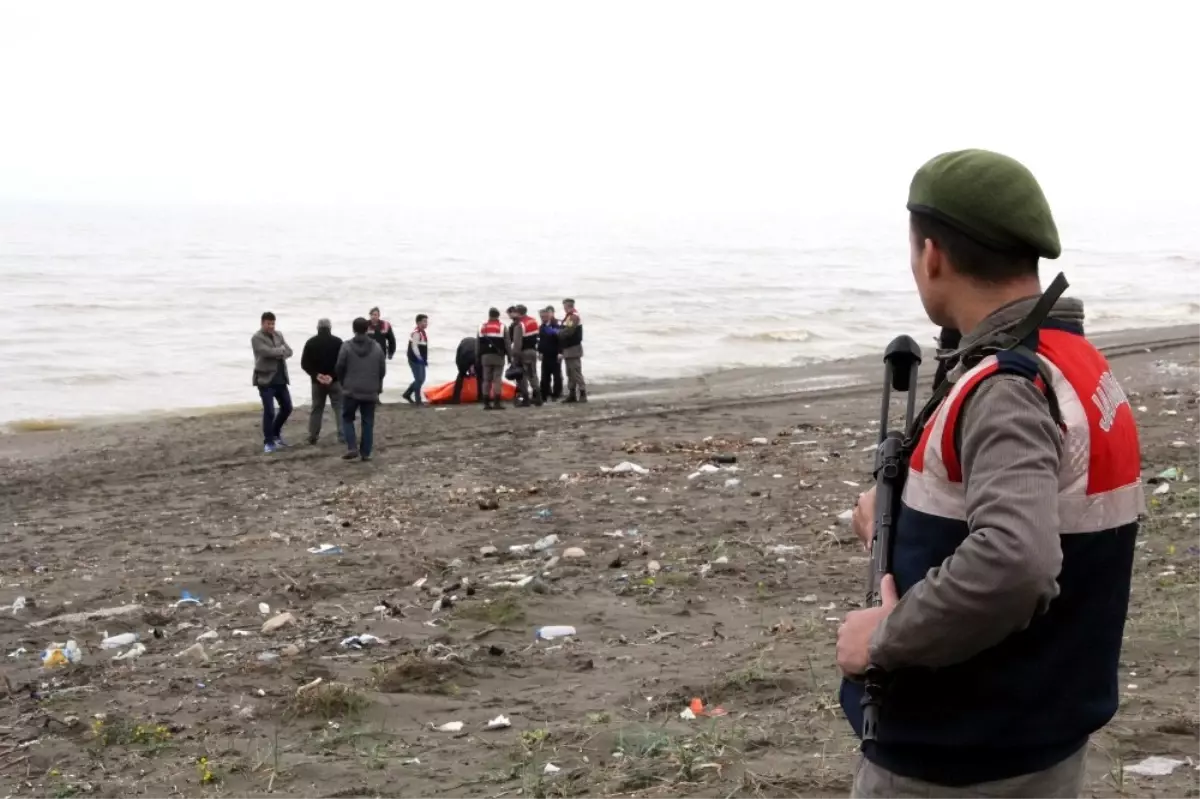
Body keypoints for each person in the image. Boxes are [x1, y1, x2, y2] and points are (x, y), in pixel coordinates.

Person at [837, 149, 1144, 798]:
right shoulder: (1078, 365)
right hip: (1040, 737)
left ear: (933, 256)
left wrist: (883, 637)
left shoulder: (1006, 385)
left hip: (954, 759)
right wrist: (894, 526)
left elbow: (1016, 560)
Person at [336, 316, 387, 462]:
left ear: (353, 329)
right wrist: (377, 384)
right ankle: (366, 452)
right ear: (368, 328)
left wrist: (343, 382)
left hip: (351, 389)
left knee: (347, 418)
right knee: (368, 421)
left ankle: (352, 447)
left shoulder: (346, 346)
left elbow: (339, 366)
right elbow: (382, 368)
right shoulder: (376, 347)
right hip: (370, 389)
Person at [251, 311, 294, 453]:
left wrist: (278, 351)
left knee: (287, 407)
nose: (271, 326)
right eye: (268, 323)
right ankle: (268, 442)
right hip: (265, 380)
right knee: (269, 411)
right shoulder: (256, 337)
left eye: (273, 323)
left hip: (281, 379)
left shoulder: (279, 334)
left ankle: (275, 434)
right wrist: (279, 351)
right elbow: (265, 352)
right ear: (262, 323)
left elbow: (289, 351)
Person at [299, 318, 345, 445]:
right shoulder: (338, 342)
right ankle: (342, 435)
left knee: (317, 408)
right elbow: (342, 362)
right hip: (334, 381)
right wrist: (332, 375)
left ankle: (313, 436)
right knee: (339, 407)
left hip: (317, 382)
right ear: (330, 328)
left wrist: (317, 375)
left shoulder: (311, 342)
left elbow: (304, 364)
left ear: (317, 328)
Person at [476, 307, 509, 411]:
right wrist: (510, 356)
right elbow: (507, 344)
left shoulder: (481, 327)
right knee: (497, 380)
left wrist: (477, 356)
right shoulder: (503, 327)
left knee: (486, 379)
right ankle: (496, 403)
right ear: (498, 316)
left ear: (489, 315)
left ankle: (486, 403)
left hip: (485, 357)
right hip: (498, 357)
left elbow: (477, 344)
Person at [510, 304, 541, 407]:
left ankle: (525, 399)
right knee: (533, 374)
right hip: (533, 351)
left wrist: (514, 357)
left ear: (518, 313)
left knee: (522, 377)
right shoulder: (533, 321)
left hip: (524, 353)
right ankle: (537, 397)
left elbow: (517, 343)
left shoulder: (520, 325)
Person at [559, 298, 586, 403]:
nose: (564, 308)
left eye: (564, 306)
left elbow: (569, 331)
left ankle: (582, 393)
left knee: (575, 371)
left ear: (568, 306)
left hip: (573, 348)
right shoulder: (570, 316)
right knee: (570, 372)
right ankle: (572, 394)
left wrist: (558, 333)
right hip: (569, 348)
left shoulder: (573, 316)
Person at [402, 314, 429, 406]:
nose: (426, 323)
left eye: (426, 321)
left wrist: (425, 360)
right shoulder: (416, 332)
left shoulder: (423, 333)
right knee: (419, 379)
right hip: (415, 359)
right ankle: (418, 400)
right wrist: (419, 358)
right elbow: (414, 347)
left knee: (421, 379)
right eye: (424, 321)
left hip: (421, 359)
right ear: (418, 322)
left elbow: (423, 347)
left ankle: (407, 393)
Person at [538, 306, 563, 401]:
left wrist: (560, 352)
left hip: (555, 354)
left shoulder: (556, 325)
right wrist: (539, 352)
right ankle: (545, 393)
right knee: (545, 375)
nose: (542, 318)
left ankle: (556, 394)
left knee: (556, 375)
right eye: (541, 317)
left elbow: (561, 339)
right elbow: (540, 341)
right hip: (545, 354)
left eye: (544, 316)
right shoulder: (542, 327)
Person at [451, 335, 482, 404]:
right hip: (475, 354)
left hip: (465, 355)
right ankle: (481, 397)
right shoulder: (476, 342)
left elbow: (457, 359)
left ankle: (455, 398)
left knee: (461, 375)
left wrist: (462, 371)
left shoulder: (463, 343)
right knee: (480, 377)